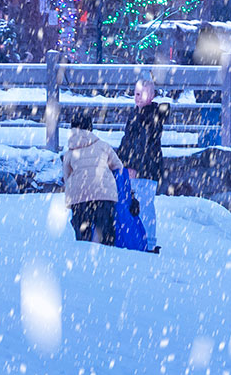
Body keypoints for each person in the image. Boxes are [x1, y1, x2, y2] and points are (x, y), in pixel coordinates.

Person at [117, 79, 169, 252]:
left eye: (142, 93)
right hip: (139, 167)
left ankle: (149, 241)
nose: (137, 97)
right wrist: (120, 161)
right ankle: (139, 239)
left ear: (152, 95)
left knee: (145, 205)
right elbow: (127, 142)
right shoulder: (135, 115)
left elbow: (142, 144)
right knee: (136, 205)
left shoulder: (149, 116)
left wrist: (133, 165)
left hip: (146, 168)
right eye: (136, 93)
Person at [58, 109, 122, 244]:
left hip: (79, 197)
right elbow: (118, 167)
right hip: (104, 194)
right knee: (106, 237)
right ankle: (106, 258)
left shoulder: (69, 153)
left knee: (83, 239)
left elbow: (67, 177)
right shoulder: (103, 146)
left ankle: (84, 255)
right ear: (90, 128)